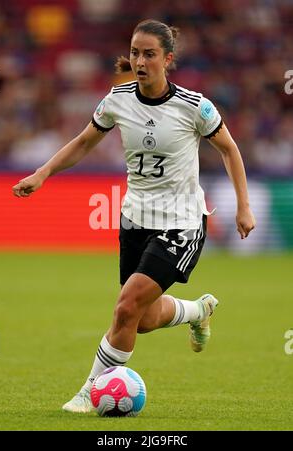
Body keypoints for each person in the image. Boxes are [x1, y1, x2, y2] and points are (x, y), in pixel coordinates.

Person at [13, 19, 256, 413]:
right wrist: (43, 173)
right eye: (135, 53)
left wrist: (244, 205)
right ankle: (198, 310)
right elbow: (83, 142)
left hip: (182, 222)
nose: (139, 61)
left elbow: (229, 150)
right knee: (139, 320)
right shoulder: (116, 100)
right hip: (134, 221)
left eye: (149, 54)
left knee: (125, 308)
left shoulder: (195, 106)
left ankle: (90, 391)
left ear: (168, 59)